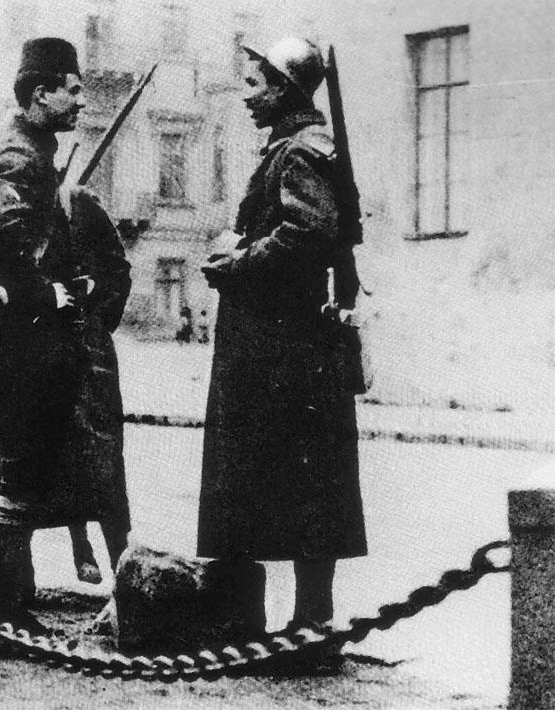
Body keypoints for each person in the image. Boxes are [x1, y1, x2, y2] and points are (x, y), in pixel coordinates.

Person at [196, 37, 367, 640]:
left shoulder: (298, 150)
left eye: (254, 84)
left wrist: (232, 264)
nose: (246, 95)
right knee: (290, 479)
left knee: (298, 480)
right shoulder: (293, 144)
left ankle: (307, 625)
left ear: (284, 89)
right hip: (280, 343)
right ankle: (277, 623)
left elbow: (306, 233)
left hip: (282, 345)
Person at [0, 37, 131, 630]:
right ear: (42, 93)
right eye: (73, 88)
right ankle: (6, 616)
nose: (81, 99)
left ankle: (4, 609)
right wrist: (50, 293)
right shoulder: (19, 158)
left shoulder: (35, 150)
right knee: (23, 476)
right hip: (26, 345)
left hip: (36, 344)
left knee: (27, 476)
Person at [0, 220, 107, 584]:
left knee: (64, 451)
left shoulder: (56, 221)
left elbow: (85, 282)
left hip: (51, 352)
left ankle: (82, 545)